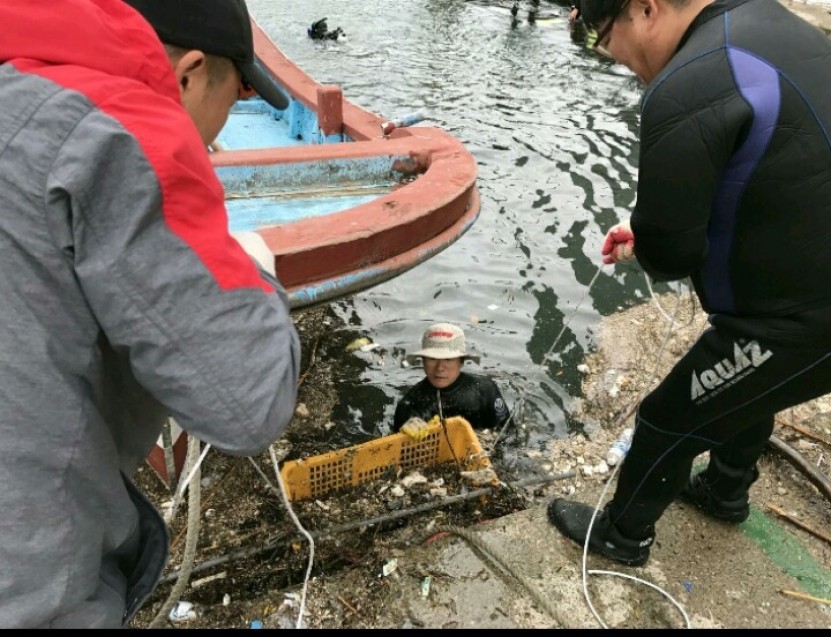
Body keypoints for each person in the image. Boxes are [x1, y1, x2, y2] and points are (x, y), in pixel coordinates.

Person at [0, 0, 300, 628]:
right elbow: (248, 402)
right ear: (189, 75)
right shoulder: (120, 129)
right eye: (238, 97)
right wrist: (254, 272)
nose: (218, 135)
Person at [547, 0, 831, 567]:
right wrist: (647, 222)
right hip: (799, 280)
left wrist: (648, 235)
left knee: (666, 418)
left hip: (805, 316)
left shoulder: (686, 83)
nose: (619, 61)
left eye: (606, 39)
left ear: (644, 9)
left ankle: (621, 537)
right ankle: (725, 494)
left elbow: (672, 256)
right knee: (747, 387)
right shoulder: (766, 21)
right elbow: (779, 161)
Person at [394, 323, 510, 440]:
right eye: (433, 359)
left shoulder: (484, 389)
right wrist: (405, 428)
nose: (440, 368)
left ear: (461, 362)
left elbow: (509, 433)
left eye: (448, 359)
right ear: (423, 361)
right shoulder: (409, 404)